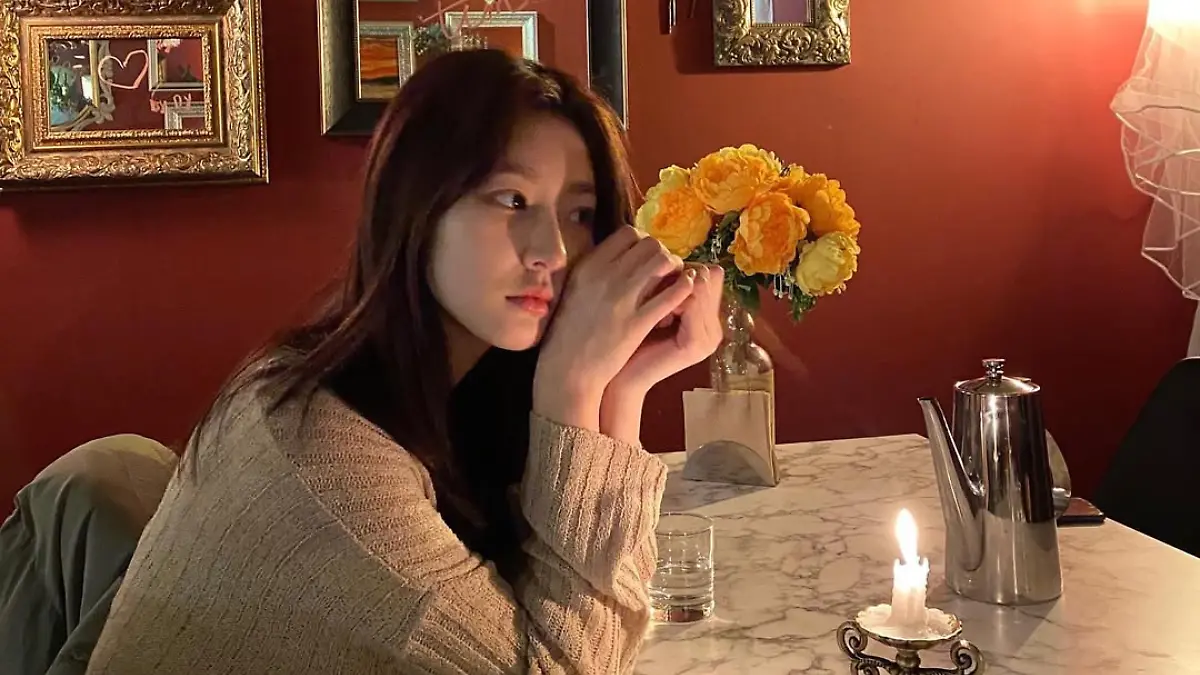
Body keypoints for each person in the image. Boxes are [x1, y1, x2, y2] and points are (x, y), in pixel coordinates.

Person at [86, 49, 723, 674]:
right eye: (511, 200)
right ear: (416, 206)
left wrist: (621, 388)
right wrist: (577, 387)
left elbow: (587, 615)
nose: (553, 251)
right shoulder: (323, 452)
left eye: (578, 214)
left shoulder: (453, 391)